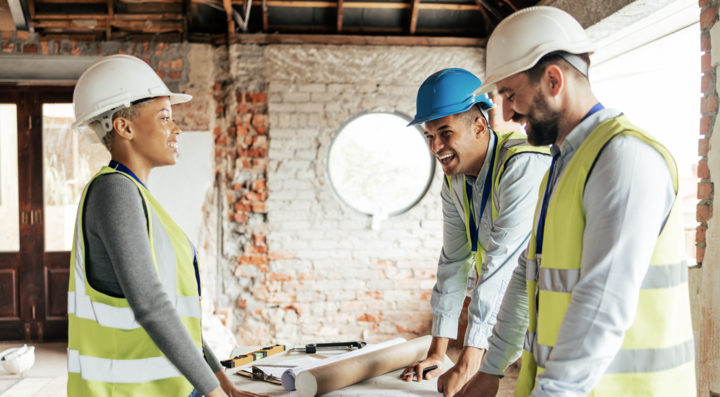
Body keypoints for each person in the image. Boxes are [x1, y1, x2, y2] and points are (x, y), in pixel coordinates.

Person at [456, 7, 696, 397]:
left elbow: (602, 305)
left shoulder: (623, 159)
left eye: (511, 95)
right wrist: (491, 369)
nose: (505, 113)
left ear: (553, 80)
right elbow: (528, 274)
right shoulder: (565, 162)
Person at [66, 54, 267, 397]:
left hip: (169, 386)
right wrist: (215, 393)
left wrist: (224, 385)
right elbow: (151, 304)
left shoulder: (138, 196)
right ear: (124, 127)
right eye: (164, 118)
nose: (177, 129)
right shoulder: (114, 191)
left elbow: (175, 315)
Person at [400, 68, 551, 397]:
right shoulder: (453, 181)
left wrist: (471, 364)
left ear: (480, 126)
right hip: (515, 306)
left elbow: (501, 264)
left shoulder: (522, 165)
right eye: (429, 136)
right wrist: (438, 353)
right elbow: (454, 262)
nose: (436, 146)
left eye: (445, 132)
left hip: (549, 306)